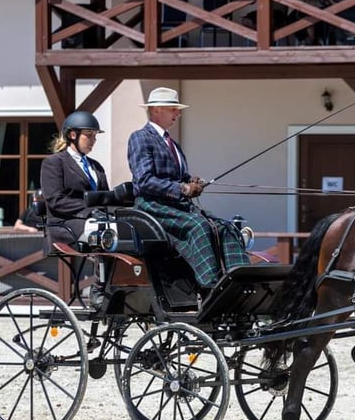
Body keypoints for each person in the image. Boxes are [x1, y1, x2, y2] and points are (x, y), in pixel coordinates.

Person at [127, 87, 249, 291]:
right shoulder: (140, 138)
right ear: (156, 109)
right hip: (153, 206)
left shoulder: (172, 144)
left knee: (225, 227)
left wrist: (192, 181)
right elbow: (144, 180)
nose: (178, 113)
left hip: (177, 206)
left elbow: (179, 177)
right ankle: (210, 286)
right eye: (173, 109)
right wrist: (183, 188)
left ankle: (239, 281)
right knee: (199, 227)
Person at [40, 111, 110, 249]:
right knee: (109, 232)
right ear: (73, 135)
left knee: (126, 228)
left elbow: (105, 197)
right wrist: (90, 211)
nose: (93, 140)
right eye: (89, 135)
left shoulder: (96, 166)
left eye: (95, 136)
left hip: (96, 220)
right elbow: (55, 200)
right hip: (67, 224)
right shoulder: (54, 163)